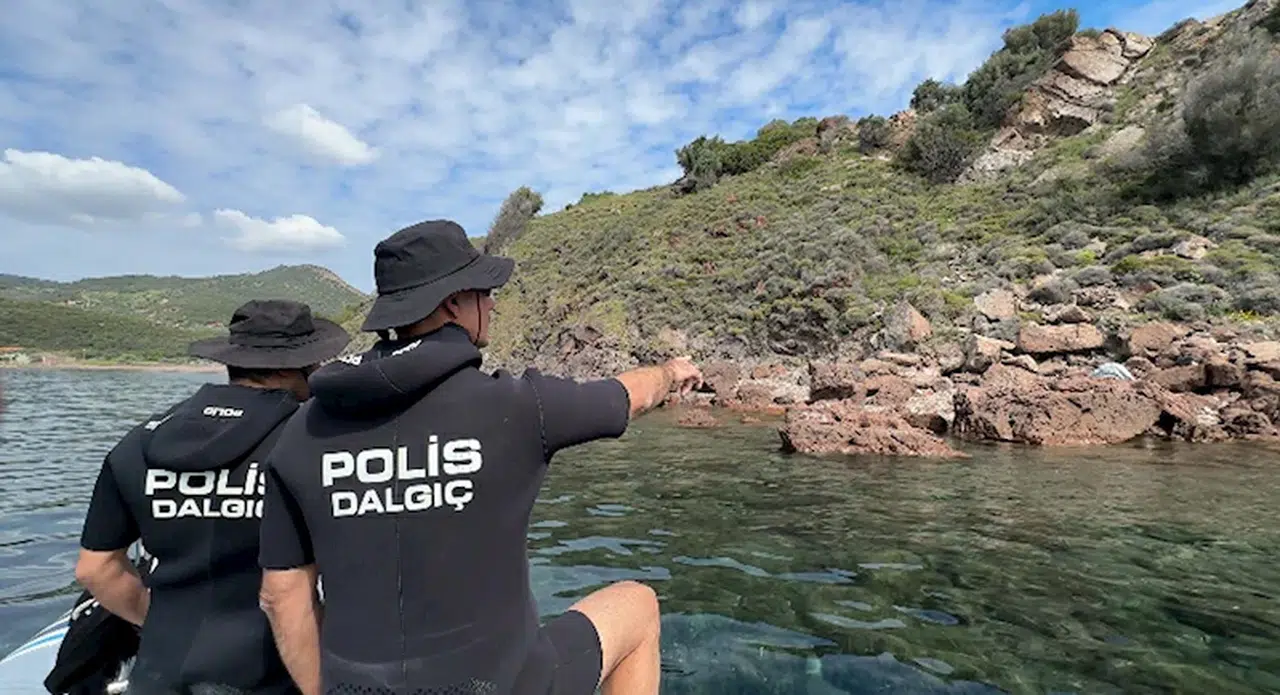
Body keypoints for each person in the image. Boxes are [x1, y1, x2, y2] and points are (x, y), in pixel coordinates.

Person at [257, 219, 703, 695]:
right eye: (485, 292)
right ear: (454, 304)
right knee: (638, 603)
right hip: (503, 686)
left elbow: (281, 595)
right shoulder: (518, 407)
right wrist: (670, 372)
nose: (491, 304)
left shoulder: (302, 431)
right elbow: (624, 396)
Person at [75, 299, 351, 695]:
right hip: (268, 674)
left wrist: (161, 624)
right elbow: (284, 594)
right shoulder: (309, 441)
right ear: (292, 367)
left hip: (159, 672)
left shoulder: (139, 441)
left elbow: (96, 569)